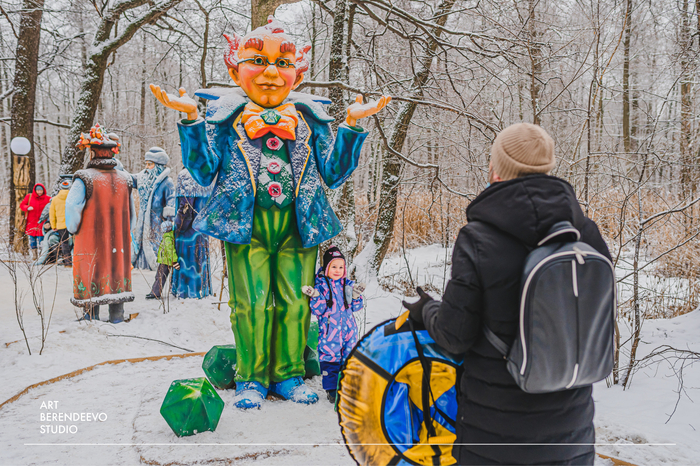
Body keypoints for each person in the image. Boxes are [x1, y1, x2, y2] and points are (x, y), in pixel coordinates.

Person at [150, 16, 389, 409]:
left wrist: (350, 125)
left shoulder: (312, 120)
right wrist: (191, 120)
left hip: (299, 225)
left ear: (298, 73)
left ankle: (290, 374)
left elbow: (333, 172)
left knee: (296, 300)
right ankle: (253, 376)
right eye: (258, 61)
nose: (271, 73)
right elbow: (204, 169)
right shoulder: (224, 118)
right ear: (234, 69)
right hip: (246, 226)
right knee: (252, 301)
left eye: (282, 63)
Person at [403, 123, 612, 466]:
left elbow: (455, 336)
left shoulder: (478, 237)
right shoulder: (585, 232)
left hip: (494, 437)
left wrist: (426, 310)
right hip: (572, 434)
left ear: (495, 169)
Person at [65, 124, 135, 323]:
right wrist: (126, 232)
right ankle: (117, 316)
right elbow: (132, 214)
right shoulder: (125, 179)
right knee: (116, 274)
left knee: (91, 273)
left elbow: (72, 207)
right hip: (118, 242)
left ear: (93, 152)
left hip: (90, 240)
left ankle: (91, 316)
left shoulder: (85, 178)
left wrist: (73, 228)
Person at [302, 246, 364, 404]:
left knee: (349, 360)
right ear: (327, 268)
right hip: (330, 334)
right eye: (334, 267)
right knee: (330, 362)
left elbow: (356, 307)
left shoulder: (348, 285)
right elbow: (319, 309)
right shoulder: (321, 286)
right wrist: (315, 295)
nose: (337, 270)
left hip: (349, 333)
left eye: (341, 267)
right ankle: (332, 391)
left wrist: (356, 295)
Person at [131, 147, 176, 272]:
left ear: (158, 166)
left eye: (150, 164)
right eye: (146, 164)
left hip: (157, 224)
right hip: (142, 224)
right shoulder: (143, 179)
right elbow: (129, 179)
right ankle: (142, 267)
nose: (146, 167)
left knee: (154, 249)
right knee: (140, 245)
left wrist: (169, 221)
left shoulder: (167, 182)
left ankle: (157, 268)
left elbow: (171, 204)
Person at [171, 169, 213, 299]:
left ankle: (186, 292)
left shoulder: (186, 176)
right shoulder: (206, 175)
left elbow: (185, 209)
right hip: (202, 231)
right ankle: (203, 290)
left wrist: (177, 228)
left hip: (187, 234)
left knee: (186, 261)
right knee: (201, 259)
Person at [147, 221, 180, 299]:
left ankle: (155, 293)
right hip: (164, 261)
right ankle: (154, 292)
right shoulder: (167, 236)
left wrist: (174, 261)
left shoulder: (168, 237)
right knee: (159, 276)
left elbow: (170, 250)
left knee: (160, 277)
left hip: (166, 261)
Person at [19, 183, 51, 260]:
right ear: (35, 191)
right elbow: (22, 205)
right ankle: (34, 255)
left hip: (42, 223)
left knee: (41, 240)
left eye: (41, 190)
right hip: (31, 222)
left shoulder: (48, 198)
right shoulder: (29, 197)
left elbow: (53, 205)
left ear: (44, 190)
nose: (39, 192)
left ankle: (41, 255)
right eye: (38, 190)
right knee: (32, 240)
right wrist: (27, 207)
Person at [50, 175, 74, 266]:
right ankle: (78, 261)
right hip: (73, 223)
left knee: (65, 244)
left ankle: (67, 263)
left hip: (61, 226)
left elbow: (52, 214)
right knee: (75, 243)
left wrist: (53, 225)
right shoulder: (72, 198)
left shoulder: (55, 199)